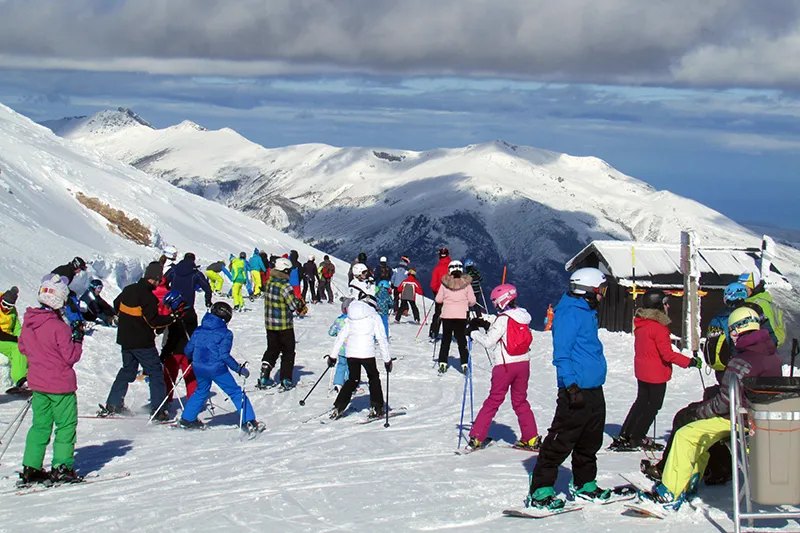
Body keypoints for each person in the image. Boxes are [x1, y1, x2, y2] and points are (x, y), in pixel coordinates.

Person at [645, 306, 781, 508]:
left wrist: (700, 412)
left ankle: (670, 491)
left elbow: (725, 402)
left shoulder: (742, 360)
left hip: (739, 419)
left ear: (737, 330)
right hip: (760, 417)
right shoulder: (772, 356)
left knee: (687, 434)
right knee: (698, 432)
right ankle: (690, 478)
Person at [526, 267, 611, 510]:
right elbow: (561, 353)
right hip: (576, 388)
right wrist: (570, 385)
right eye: (601, 290)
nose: (603, 296)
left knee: (590, 441)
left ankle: (585, 483)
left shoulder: (586, 310)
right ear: (588, 291)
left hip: (594, 387)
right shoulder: (569, 314)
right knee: (562, 439)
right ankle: (541, 488)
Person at [610, 289, 698, 452]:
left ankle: (626, 434)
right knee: (653, 406)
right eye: (665, 303)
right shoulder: (658, 328)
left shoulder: (642, 323)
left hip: (643, 370)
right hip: (656, 373)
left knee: (641, 402)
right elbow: (667, 354)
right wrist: (690, 362)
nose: (668, 306)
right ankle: (637, 437)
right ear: (658, 305)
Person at [18, 275, 83, 484]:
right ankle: (62, 467)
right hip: (60, 385)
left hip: (38, 383)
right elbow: (70, 356)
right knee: (65, 426)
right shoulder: (59, 327)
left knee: (40, 426)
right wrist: (78, 340)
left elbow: (22, 348)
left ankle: (31, 467)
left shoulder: (28, 324)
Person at [467, 284, 539, 451]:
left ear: (501, 301)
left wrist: (472, 332)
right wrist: (487, 320)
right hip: (523, 364)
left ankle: (477, 437)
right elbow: (505, 321)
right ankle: (531, 437)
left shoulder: (503, 320)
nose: (494, 305)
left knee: (493, 401)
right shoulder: (522, 315)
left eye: (495, 302)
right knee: (520, 401)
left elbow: (488, 341)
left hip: (505, 366)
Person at [100, 262, 175, 420]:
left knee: (127, 371)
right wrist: (171, 318)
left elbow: (116, 304)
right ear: (154, 279)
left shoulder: (129, 289)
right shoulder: (148, 297)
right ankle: (159, 410)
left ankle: (114, 403)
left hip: (125, 340)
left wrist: (127, 319)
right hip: (143, 342)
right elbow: (154, 322)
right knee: (155, 373)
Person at [178, 302, 264, 435]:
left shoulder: (199, 330)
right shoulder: (225, 333)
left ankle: (187, 419)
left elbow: (188, 349)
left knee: (201, 391)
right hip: (216, 368)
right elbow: (224, 355)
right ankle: (249, 421)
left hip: (199, 367)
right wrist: (239, 369)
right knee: (235, 392)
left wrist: (193, 358)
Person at [327, 299, 391, 420]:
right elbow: (382, 338)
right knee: (373, 378)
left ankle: (339, 406)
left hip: (351, 354)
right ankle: (377, 407)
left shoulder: (350, 316)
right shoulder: (374, 317)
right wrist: (387, 360)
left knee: (352, 380)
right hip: (367, 354)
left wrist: (333, 356)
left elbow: (341, 337)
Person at [259, 257, 307, 391]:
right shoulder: (285, 286)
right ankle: (286, 379)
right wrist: (300, 303)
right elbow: (292, 306)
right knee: (288, 351)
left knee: (272, 349)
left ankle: (264, 376)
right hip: (284, 325)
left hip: (270, 324)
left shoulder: (269, 283)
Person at [435, 260, 475, 374]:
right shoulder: (467, 284)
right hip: (461, 316)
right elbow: (472, 301)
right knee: (461, 339)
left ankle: (443, 362)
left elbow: (438, 299)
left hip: (447, 315)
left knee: (446, 339)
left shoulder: (445, 283)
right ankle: (464, 363)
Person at [738, 270, 785, 347]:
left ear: (751, 288)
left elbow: (769, 330)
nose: (741, 291)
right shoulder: (747, 301)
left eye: (744, 288)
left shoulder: (761, 304)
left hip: (767, 346)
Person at [0, 286, 27, 391]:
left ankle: (32, 378)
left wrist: (23, 339)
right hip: (2, 339)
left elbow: (17, 327)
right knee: (17, 348)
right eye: (4, 305)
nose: (6, 308)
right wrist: (16, 339)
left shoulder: (12, 312)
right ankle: (20, 380)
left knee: (27, 348)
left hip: (9, 338)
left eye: (9, 306)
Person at [51, 256, 88, 326]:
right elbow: (59, 286)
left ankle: (79, 319)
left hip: (54, 289)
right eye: (80, 269)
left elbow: (62, 285)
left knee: (73, 297)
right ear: (76, 266)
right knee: (71, 302)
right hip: (52, 291)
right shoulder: (68, 273)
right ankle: (76, 322)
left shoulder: (68, 270)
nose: (79, 271)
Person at [328, 298, 352, 391]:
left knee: (341, 364)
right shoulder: (353, 321)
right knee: (350, 366)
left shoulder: (339, 320)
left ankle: (338, 383)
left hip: (341, 349)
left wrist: (335, 332)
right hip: (351, 349)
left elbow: (331, 332)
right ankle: (348, 382)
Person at [428, 247, 451, 341]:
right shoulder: (452, 267)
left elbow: (433, 284)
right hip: (452, 294)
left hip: (440, 295)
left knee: (438, 314)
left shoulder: (437, 269)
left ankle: (434, 332)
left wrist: (436, 292)